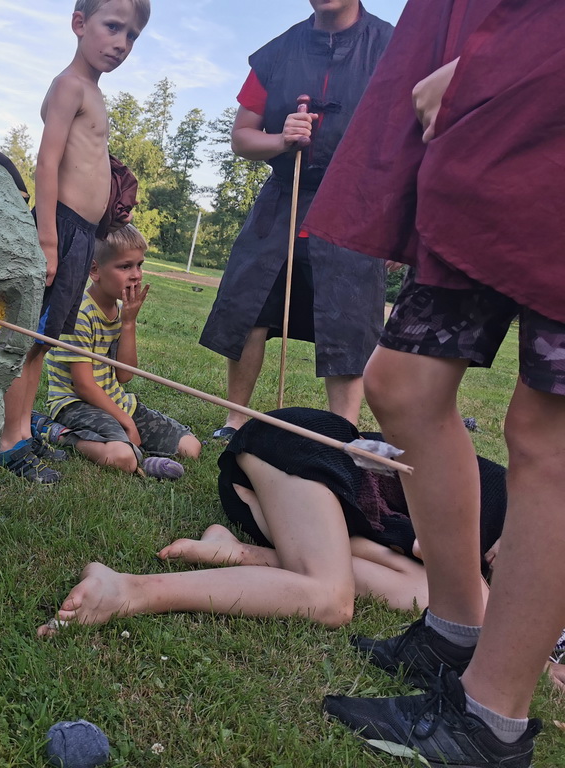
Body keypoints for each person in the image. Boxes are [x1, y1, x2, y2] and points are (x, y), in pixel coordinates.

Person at [302, 0, 565, 765]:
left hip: (538, 99)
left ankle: (491, 721)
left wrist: (498, 71)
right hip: (486, 138)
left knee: (548, 431)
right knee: (403, 385)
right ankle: (454, 631)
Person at [37, 408, 507, 637]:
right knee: (330, 600)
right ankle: (129, 589)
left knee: (424, 595)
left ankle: (241, 552)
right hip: (301, 450)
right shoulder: (511, 507)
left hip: (303, 506)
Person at [198, 0, 392, 442]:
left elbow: (413, 136)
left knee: (349, 318)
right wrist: (281, 139)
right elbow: (242, 137)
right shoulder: (277, 53)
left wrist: (396, 219)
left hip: (354, 206)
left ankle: (342, 433)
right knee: (249, 304)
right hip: (282, 199)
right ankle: (235, 419)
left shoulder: (392, 47)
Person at [0, 0, 151, 483]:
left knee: (43, 343)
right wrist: (47, 238)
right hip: (59, 229)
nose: (121, 43)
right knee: (29, 340)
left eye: (131, 35)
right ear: (79, 24)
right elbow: (47, 161)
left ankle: (24, 427)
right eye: (112, 27)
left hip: (83, 236)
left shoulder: (94, 92)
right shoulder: (69, 85)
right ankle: (10, 442)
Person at [41, 225, 202, 476]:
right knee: (124, 458)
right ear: (94, 270)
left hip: (115, 401)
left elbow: (124, 375)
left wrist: (128, 323)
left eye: (139, 265)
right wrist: (126, 422)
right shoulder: (79, 314)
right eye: (125, 266)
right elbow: (84, 386)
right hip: (76, 405)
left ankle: (131, 445)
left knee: (190, 447)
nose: (136, 275)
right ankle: (58, 433)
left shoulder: (119, 310)